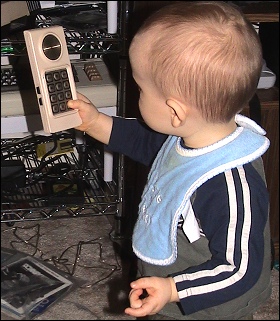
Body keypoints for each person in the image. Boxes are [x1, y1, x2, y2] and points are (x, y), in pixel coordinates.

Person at [67, 1, 272, 319]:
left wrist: (175, 289)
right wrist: (94, 122)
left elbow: (239, 269)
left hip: (210, 303)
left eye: (141, 89)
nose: (137, 96)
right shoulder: (185, 134)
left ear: (176, 111)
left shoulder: (230, 186)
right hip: (169, 279)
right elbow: (139, 139)